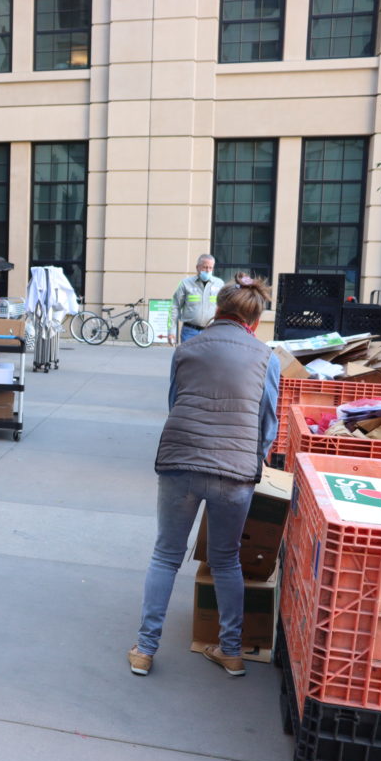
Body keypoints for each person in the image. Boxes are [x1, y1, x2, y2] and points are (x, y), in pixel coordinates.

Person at [129, 273, 279, 679]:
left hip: (181, 459)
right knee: (226, 559)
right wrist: (256, 458)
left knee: (165, 555)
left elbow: (174, 403)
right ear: (254, 321)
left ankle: (144, 650)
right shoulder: (267, 357)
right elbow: (268, 424)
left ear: (217, 310)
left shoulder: (187, 348)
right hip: (234, 472)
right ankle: (231, 652)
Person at [170, 254, 223, 344]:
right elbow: (175, 307)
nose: (207, 271)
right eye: (205, 267)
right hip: (190, 332)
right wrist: (171, 331)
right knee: (188, 358)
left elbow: (224, 308)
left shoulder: (219, 284)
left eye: (210, 268)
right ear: (197, 267)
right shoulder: (185, 284)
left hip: (211, 332)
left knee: (208, 358)